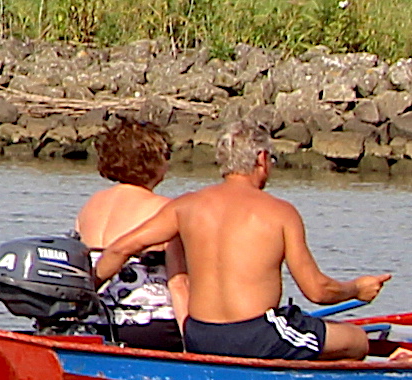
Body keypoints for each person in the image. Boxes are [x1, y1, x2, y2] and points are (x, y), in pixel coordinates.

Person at [88, 124, 390, 358]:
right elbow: (317, 291)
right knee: (357, 341)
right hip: (255, 333)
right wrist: (357, 290)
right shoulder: (280, 212)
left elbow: (120, 248)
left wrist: (83, 297)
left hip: (200, 335)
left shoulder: (185, 206)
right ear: (261, 159)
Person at [72, 116, 178, 330]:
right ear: (153, 160)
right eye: (166, 155)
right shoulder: (165, 209)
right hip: (149, 322)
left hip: (96, 319)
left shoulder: (92, 204)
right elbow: (180, 282)